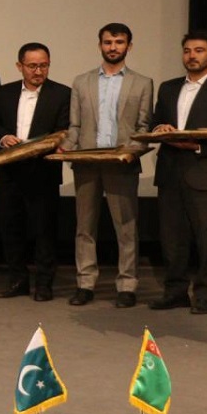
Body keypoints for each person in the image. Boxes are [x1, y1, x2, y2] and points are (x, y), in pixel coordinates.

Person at [147, 30, 207, 315]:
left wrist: (199, 147)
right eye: (187, 50)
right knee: (172, 239)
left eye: (199, 50)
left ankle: (205, 296)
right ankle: (175, 292)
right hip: (170, 172)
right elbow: (156, 123)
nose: (192, 56)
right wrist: (160, 128)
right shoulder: (168, 88)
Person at [62, 23, 154, 308]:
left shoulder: (142, 83)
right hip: (87, 162)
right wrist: (68, 147)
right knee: (84, 227)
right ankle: (85, 283)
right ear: (100, 45)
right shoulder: (81, 82)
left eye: (119, 42)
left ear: (129, 46)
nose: (113, 47)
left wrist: (132, 153)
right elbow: (75, 125)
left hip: (122, 163)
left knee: (126, 227)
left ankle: (127, 285)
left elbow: (143, 127)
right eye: (108, 42)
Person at [0, 43, 71, 301]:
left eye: (43, 65)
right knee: (11, 228)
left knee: (44, 230)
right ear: (19, 66)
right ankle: (18, 281)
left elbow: (64, 129)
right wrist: (3, 137)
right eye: (32, 66)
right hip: (9, 172)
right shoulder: (4, 93)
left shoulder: (62, 94)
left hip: (42, 172)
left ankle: (44, 284)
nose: (38, 71)